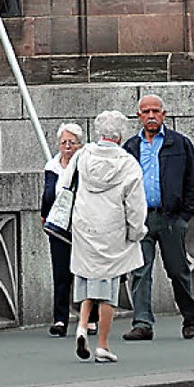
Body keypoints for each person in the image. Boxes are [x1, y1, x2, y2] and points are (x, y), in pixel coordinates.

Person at [69, 111, 147, 363]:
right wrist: (136, 232)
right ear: (121, 135)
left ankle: (82, 326)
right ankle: (102, 345)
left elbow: (64, 184)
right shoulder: (128, 164)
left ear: (98, 132)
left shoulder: (83, 155)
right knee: (108, 289)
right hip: (112, 230)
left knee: (88, 278)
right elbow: (136, 206)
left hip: (84, 227)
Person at [122, 93, 194, 341]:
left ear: (164, 115)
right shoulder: (131, 147)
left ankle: (190, 316)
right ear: (139, 117)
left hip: (170, 218)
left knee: (177, 270)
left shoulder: (180, 143)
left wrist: (183, 216)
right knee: (140, 271)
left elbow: (192, 181)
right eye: (146, 112)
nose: (151, 116)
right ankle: (142, 323)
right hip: (140, 218)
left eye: (155, 111)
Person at [41, 122, 98, 338]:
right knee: (61, 273)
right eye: (64, 142)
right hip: (59, 225)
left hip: (83, 225)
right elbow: (47, 193)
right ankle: (60, 319)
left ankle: (91, 319)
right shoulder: (52, 166)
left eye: (72, 142)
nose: (67, 146)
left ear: (79, 144)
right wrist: (44, 215)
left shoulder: (85, 164)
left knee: (86, 272)